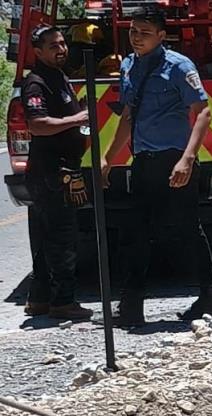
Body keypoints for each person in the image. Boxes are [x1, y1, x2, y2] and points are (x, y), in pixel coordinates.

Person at [101, 6, 212, 326]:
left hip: (174, 160)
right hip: (143, 161)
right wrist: (108, 157)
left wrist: (187, 158)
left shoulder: (179, 66)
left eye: (144, 32)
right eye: (132, 31)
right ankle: (131, 307)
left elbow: (203, 112)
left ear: (160, 35)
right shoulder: (128, 66)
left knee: (185, 230)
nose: (136, 38)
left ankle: (211, 296)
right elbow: (128, 116)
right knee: (135, 232)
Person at [21, 25, 93, 321]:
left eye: (63, 43)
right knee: (62, 237)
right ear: (38, 52)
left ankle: (39, 299)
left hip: (59, 169)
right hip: (50, 172)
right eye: (53, 46)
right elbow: (37, 124)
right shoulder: (36, 83)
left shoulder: (59, 77)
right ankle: (63, 302)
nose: (61, 49)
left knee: (44, 236)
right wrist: (77, 118)